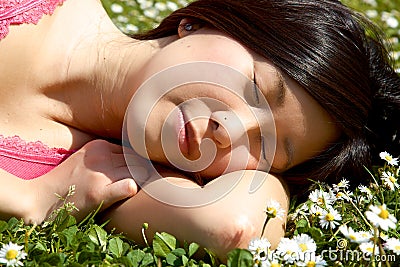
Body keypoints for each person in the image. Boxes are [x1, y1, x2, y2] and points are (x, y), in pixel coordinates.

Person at [0, 0, 398, 257]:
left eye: (265, 147)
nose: (231, 131)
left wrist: (38, 198)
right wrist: (19, 193)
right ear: (205, 21)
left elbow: (234, 228)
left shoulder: (102, 182)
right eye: (254, 89)